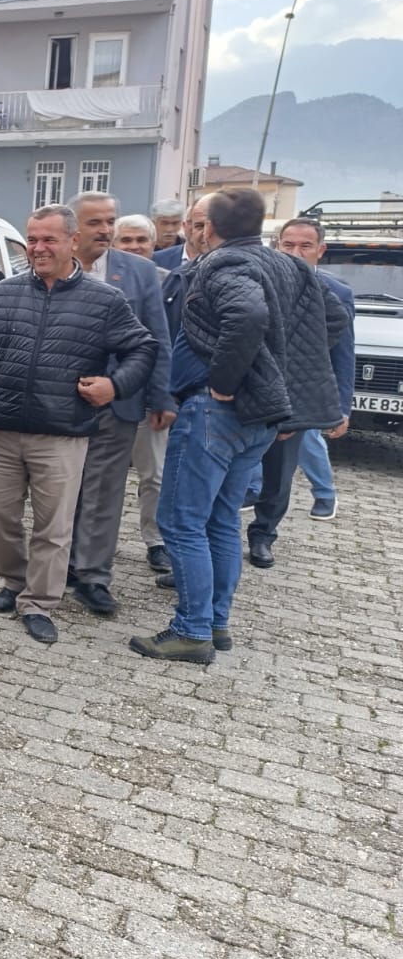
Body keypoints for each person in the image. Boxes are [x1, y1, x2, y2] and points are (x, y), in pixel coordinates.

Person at [130, 188, 346, 664]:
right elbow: (334, 316)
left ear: (209, 228)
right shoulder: (286, 264)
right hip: (259, 418)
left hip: (218, 410)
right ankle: (216, 623)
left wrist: (228, 382)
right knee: (221, 518)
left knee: (182, 521)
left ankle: (191, 630)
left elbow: (246, 316)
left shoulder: (224, 264)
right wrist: (277, 366)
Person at [0, 204, 156, 645]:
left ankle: (39, 601)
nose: (37, 248)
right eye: (31, 239)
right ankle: (14, 580)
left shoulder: (105, 300)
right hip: (1, 429)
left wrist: (114, 387)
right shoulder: (4, 291)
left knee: (52, 526)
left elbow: (143, 349)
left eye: (48, 239)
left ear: (72, 242)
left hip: (63, 433)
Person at [65, 192, 174, 616]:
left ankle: (93, 575)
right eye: (95, 222)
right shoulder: (56, 264)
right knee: (61, 491)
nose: (106, 230)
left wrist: (160, 394)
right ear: (73, 227)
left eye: (109, 221)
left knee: (104, 492)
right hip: (60, 405)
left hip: (119, 403)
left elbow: (157, 338)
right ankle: (60, 566)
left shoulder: (140, 271)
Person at [243, 217, 355, 562]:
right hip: (250, 395)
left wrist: (341, 407)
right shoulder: (256, 282)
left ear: (320, 250)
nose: (295, 252)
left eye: (305, 246)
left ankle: (263, 535)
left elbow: (343, 353)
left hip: (297, 401)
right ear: (276, 245)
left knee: (279, 474)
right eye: (288, 244)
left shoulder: (337, 294)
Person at [112, 214, 174, 573]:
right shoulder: (104, 278)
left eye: (142, 241)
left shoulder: (169, 282)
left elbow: (166, 342)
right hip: (109, 396)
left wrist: (162, 395)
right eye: (127, 240)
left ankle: (156, 540)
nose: (135, 247)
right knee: (108, 478)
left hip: (148, 398)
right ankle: (100, 542)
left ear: (155, 245)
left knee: (154, 475)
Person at [153, 197, 207, 270]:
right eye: (164, 223)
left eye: (175, 223)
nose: (170, 229)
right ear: (154, 223)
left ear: (181, 224)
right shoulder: (147, 250)